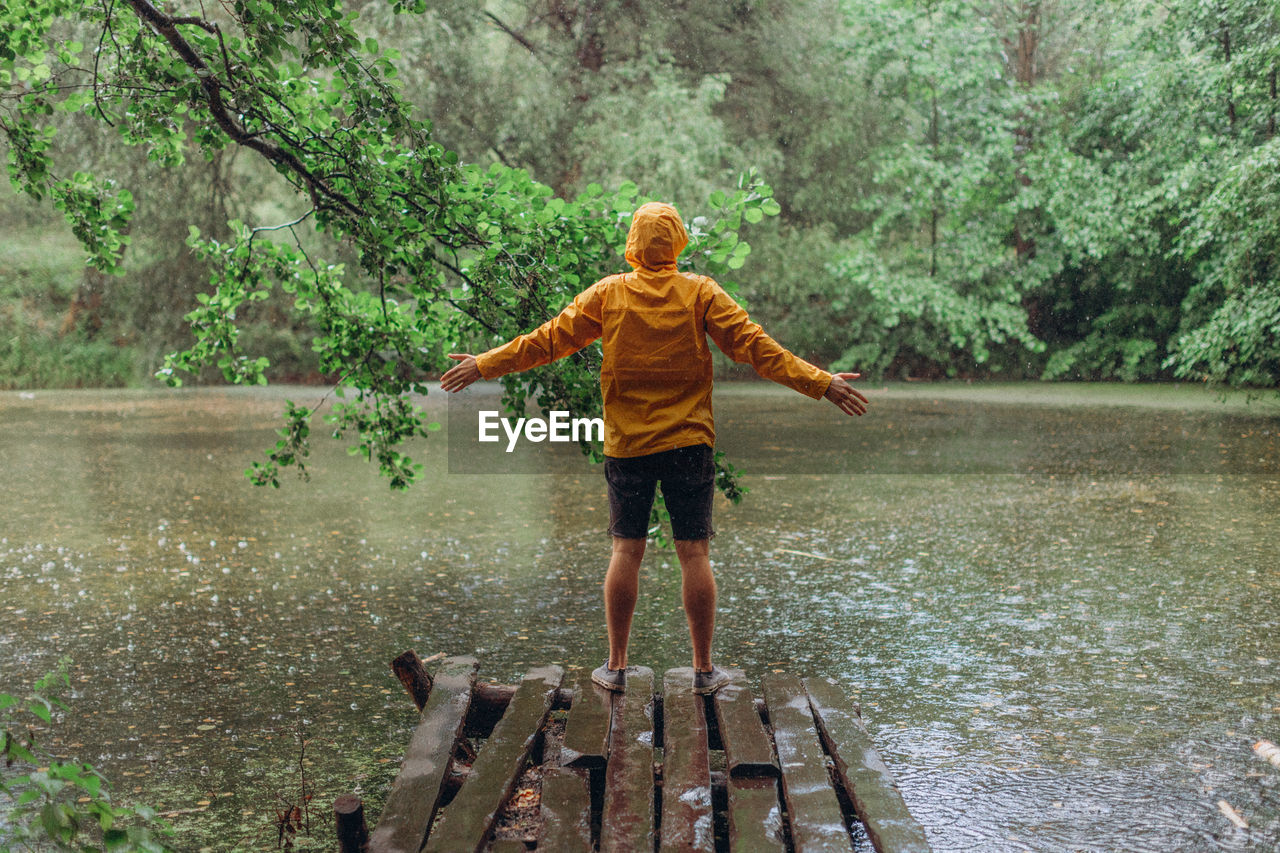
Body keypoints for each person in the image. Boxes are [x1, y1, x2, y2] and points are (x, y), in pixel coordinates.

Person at [441, 201, 868, 694]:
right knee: (694, 553)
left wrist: (484, 364)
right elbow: (757, 348)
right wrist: (821, 382)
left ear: (633, 246)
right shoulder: (701, 292)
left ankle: (616, 667)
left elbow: (547, 341)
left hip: (628, 445)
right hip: (689, 443)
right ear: (679, 241)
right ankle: (704, 670)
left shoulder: (609, 294)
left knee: (627, 549)